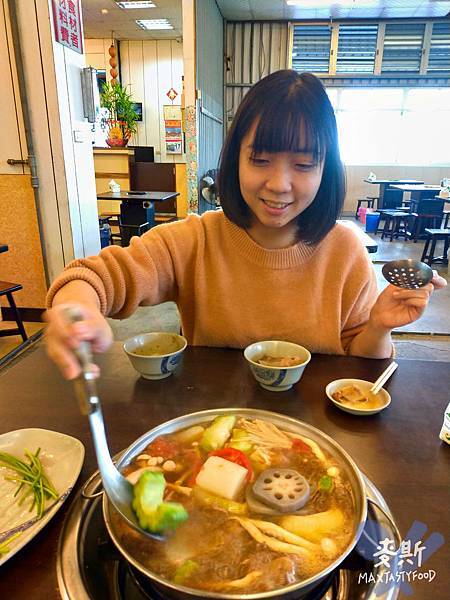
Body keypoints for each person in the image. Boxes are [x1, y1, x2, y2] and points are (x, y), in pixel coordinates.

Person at [45, 70, 446, 379]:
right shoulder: (196, 240)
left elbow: (362, 368)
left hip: (311, 433)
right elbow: (95, 277)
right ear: (235, 158)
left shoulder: (345, 251)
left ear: (325, 170)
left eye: (303, 164)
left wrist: (379, 327)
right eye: (260, 160)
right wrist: (76, 310)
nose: (279, 184)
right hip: (209, 428)